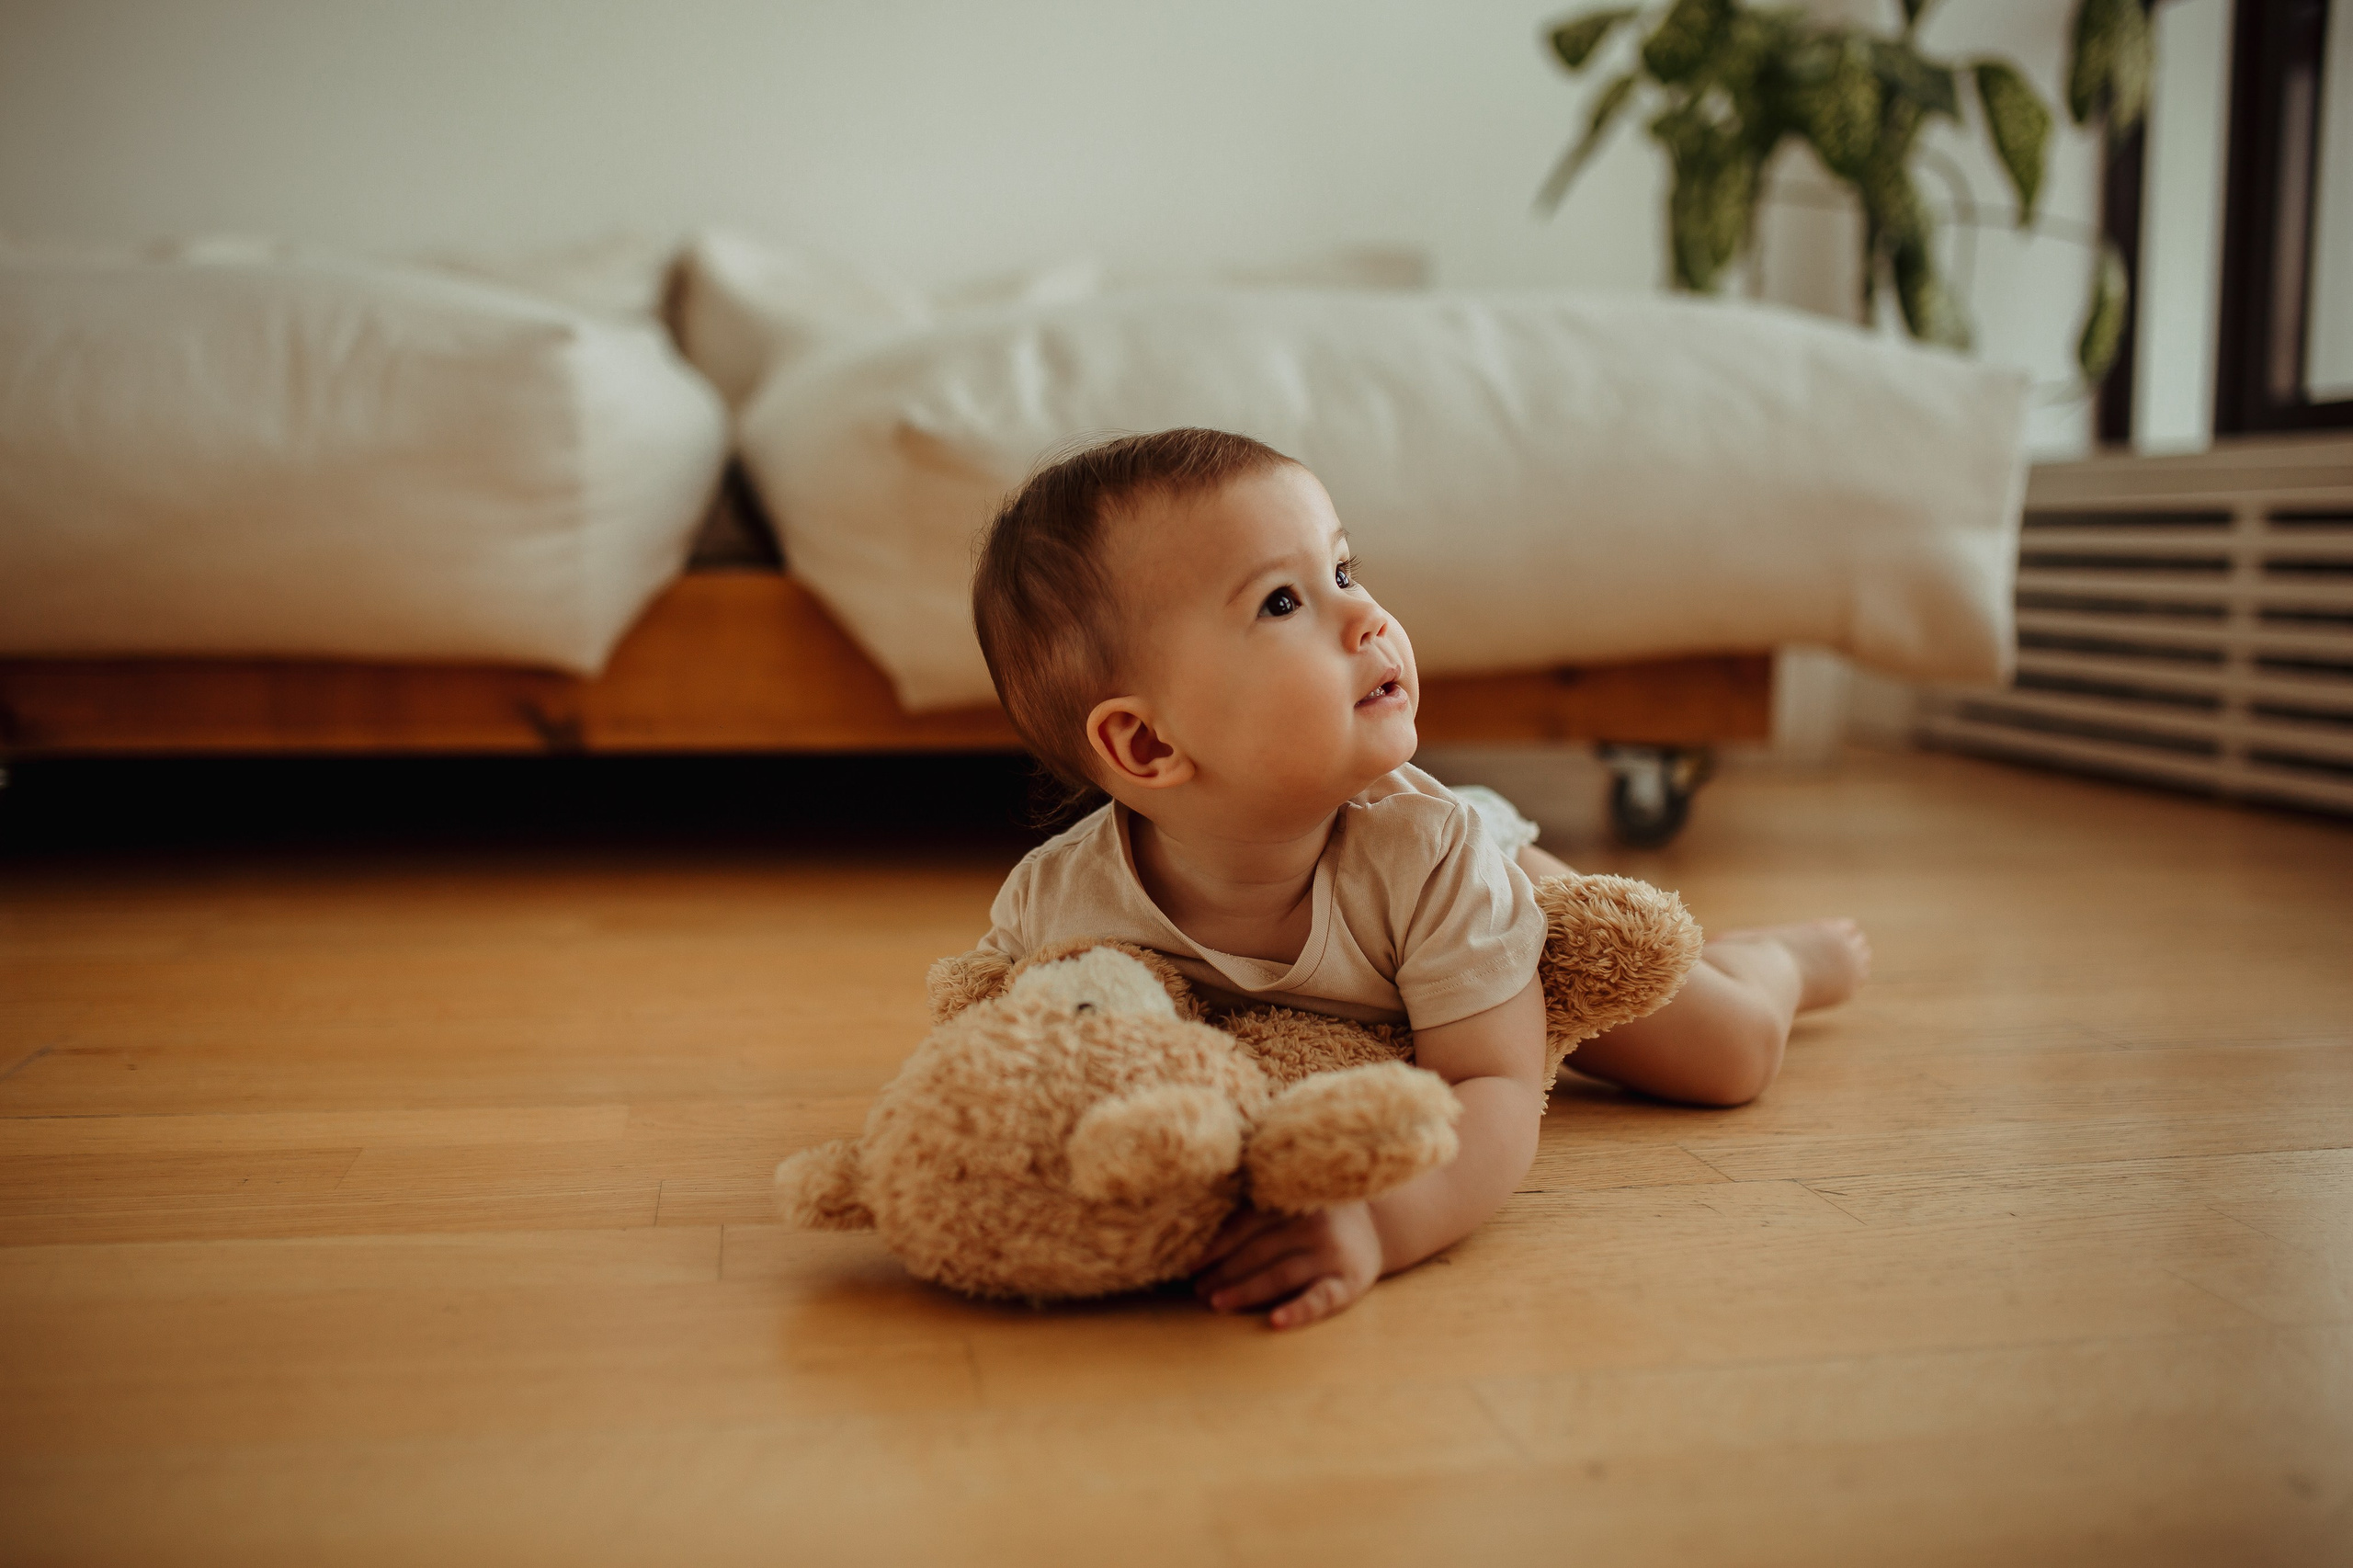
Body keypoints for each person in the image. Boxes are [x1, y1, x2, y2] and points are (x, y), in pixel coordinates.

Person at [968, 428, 1870, 1329]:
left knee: (1725, 1052)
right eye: (1283, 601)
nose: (1367, 618)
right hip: (1399, 956)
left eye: (1345, 571)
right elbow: (1004, 1050)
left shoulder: (1436, 857)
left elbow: (1496, 1090)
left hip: (1489, 896)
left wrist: (1378, 1225)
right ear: (1148, 743)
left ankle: (1775, 961)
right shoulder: (1061, 904)